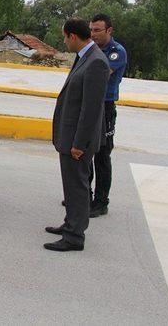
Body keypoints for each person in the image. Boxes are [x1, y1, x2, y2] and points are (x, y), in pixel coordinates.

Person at [45, 18, 110, 252]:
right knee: (71, 185)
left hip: (78, 141)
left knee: (78, 186)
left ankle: (74, 237)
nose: (64, 41)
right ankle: (70, 224)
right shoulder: (85, 57)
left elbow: (91, 109)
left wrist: (79, 143)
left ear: (73, 36)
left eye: (64, 37)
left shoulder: (96, 62)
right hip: (71, 137)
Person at [88, 13, 127, 217]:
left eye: (97, 30)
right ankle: (84, 196)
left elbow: (99, 73)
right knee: (85, 152)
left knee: (102, 156)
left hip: (105, 107)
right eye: (91, 30)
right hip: (89, 106)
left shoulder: (116, 52)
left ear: (109, 31)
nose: (93, 34)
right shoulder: (91, 50)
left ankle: (101, 202)